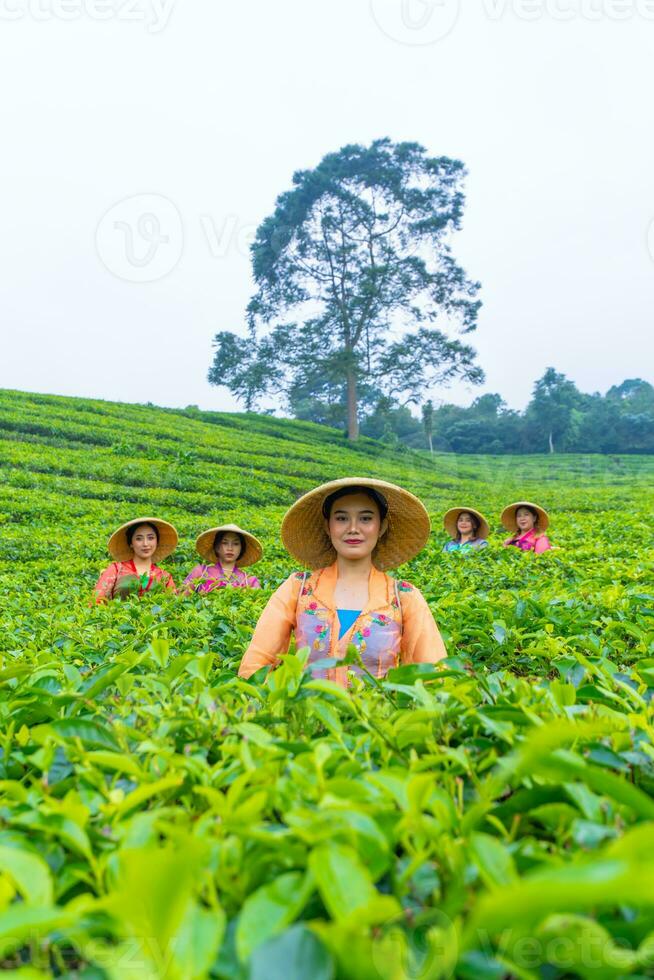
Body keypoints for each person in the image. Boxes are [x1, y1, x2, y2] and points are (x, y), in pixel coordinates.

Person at [238, 477, 447, 687]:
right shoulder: (298, 588)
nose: (353, 528)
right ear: (328, 526)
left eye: (366, 519)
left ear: (381, 526)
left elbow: (434, 674)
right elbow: (257, 664)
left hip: (377, 718)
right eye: (341, 518)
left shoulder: (403, 596)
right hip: (307, 716)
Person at [94, 517, 178, 602]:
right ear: (131, 543)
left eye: (150, 538)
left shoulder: (165, 577)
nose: (145, 544)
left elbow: (173, 604)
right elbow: (97, 601)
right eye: (139, 538)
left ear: (157, 541)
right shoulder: (116, 569)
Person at [183, 524, 262, 593]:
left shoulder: (249, 581)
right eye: (224, 543)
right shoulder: (201, 572)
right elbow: (181, 599)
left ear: (241, 549)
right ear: (217, 547)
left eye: (236, 544)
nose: (230, 548)